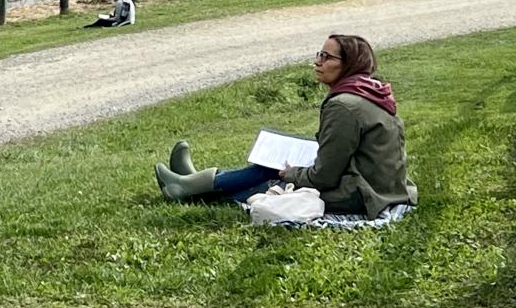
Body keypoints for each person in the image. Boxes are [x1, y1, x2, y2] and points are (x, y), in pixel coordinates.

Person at [153, 34, 418, 219]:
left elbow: (324, 177)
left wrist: (290, 175)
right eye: (319, 54)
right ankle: (193, 182)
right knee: (269, 165)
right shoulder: (369, 93)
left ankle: (192, 189)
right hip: (376, 185)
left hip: (362, 193)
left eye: (327, 57)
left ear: (348, 64)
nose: (318, 61)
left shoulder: (344, 106)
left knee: (270, 179)